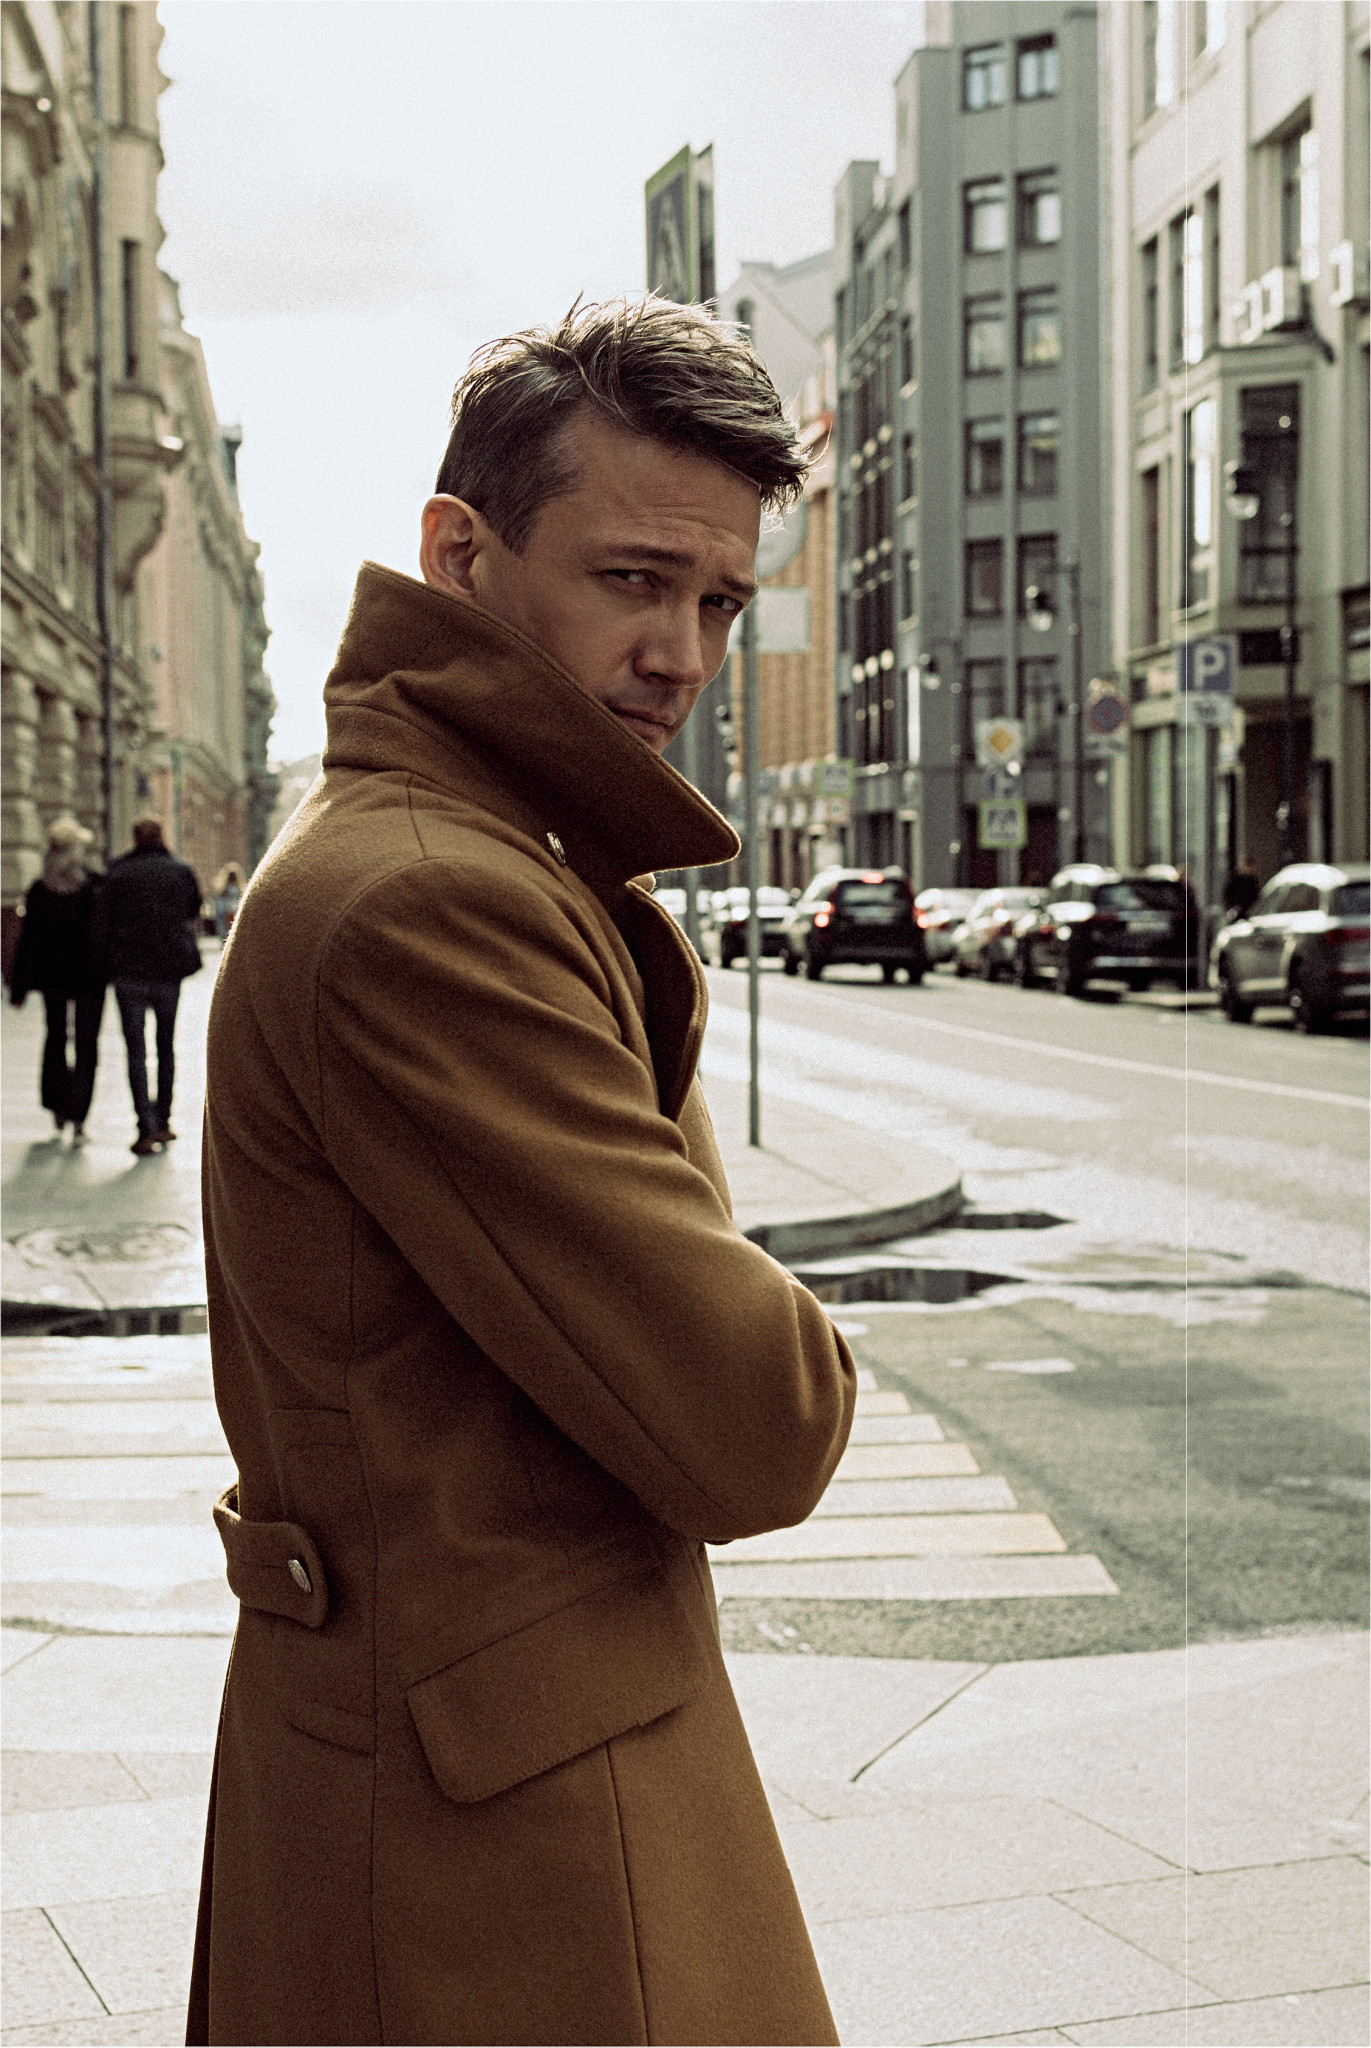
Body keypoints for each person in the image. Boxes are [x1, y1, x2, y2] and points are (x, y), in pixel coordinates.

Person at [188, 297, 856, 2048]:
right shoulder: (441, 900)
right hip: (509, 1848)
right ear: (460, 555)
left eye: (719, 602)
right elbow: (757, 1420)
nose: (680, 653)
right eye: (632, 580)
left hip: (466, 1774)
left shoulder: (473, 856)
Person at [103, 817, 203, 1156]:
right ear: (160, 836)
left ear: (134, 838)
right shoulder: (180, 871)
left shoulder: (117, 873)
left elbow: (103, 923)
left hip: (129, 972)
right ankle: (163, 1121)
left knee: (135, 1051)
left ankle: (144, 1127)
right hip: (168, 971)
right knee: (165, 1047)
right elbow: (193, 909)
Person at [7, 816, 106, 1141]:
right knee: (86, 1043)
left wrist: (19, 987)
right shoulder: (92, 885)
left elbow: (28, 941)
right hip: (89, 978)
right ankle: (79, 1113)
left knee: (55, 1038)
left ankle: (58, 1107)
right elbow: (102, 935)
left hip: (54, 978)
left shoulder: (40, 888)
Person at [210, 863, 244, 940]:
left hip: (225, 929)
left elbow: (219, 913)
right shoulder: (242, 893)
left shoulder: (220, 895)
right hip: (238, 929)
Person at [1223, 854, 1261, 919]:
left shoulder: (1253, 881)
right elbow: (1228, 895)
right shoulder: (1235, 879)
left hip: (1248, 912)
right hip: (1235, 912)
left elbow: (1256, 896)